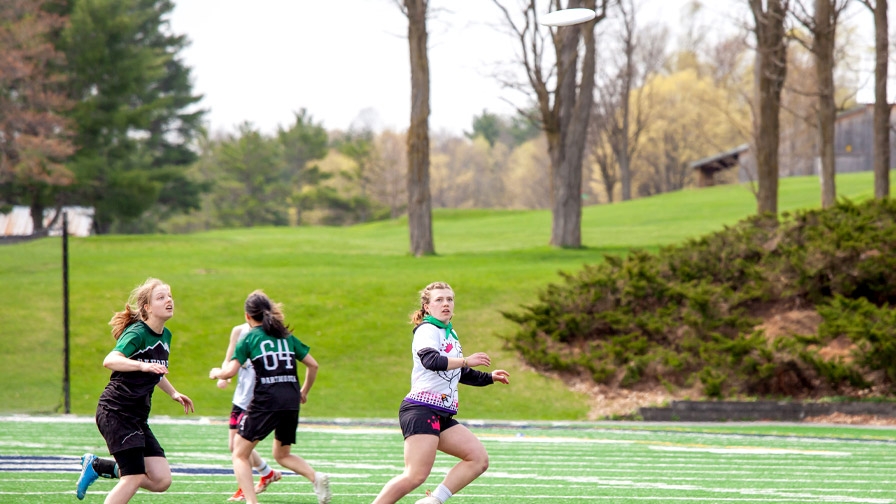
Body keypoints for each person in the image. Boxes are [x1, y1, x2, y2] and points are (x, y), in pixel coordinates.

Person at [371, 281, 511, 504]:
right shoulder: (428, 329)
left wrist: (490, 377)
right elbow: (431, 361)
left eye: (449, 299)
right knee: (415, 475)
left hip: (442, 413)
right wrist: (466, 360)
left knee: (478, 459)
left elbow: (458, 372)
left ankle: (433, 500)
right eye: (439, 300)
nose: (446, 303)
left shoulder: (450, 333)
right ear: (427, 306)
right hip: (421, 410)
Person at [76, 277, 194, 503]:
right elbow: (110, 359)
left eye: (169, 296)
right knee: (133, 477)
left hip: (137, 417)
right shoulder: (137, 333)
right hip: (116, 412)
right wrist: (141, 365)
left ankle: (96, 466)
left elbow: (156, 371)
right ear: (147, 308)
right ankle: (98, 467)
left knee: (161, 480)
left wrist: (173, 393)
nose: (169, 300)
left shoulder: (165, 335)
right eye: (161, 297)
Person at [209, 290, 331, 504]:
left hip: (267, 399)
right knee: (282, 454)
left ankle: (252, 501)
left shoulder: (249, 338)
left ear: (247, 316)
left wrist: (216, 372)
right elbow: (313, 364)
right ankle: (315, 477)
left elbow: (229, 372)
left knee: (239, 453)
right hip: (291, 399)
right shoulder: (285, 335)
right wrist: (303, 391)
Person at [216, 321, 282, 502]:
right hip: (241, 399)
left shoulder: (271, 333)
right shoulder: (239, 330)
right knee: (234, 446)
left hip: (259, 399)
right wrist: (224, 375)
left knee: (240, 448)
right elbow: (229, 359)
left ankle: (245, 489)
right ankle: (267, 473)